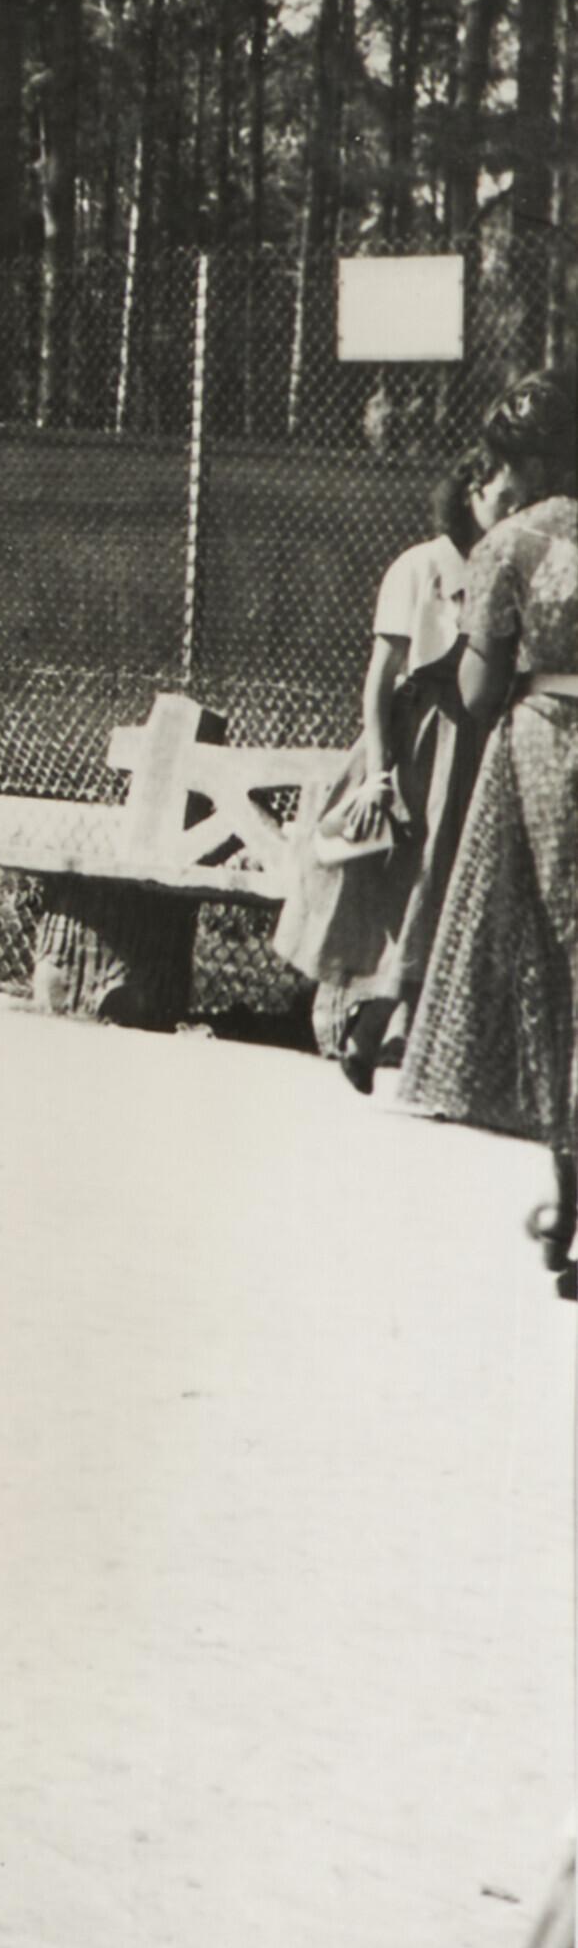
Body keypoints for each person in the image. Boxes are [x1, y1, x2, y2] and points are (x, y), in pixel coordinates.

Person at [393, 369, 578, 1272]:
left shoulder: (512, 542)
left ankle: (571, 1204)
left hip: (548, 750)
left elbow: (475, 695)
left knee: (551, 962)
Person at [277, 438, 523, 1088]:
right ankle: (372, 1022)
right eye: (505, 497)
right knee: (404, 884)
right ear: (471, 492)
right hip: (416, 745)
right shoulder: (418, 567)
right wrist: (383, 772)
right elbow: (378, 680)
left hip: (474, 743)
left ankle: (399, 1036)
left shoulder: (508, 572)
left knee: (449, 886)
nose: (514, 510)